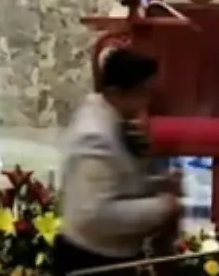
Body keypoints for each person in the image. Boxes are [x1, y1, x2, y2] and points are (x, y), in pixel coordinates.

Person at [55, 47, 181, 274]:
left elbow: (119, 180)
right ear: (116, 92)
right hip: (91, 260)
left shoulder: (112, 119)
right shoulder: (94, 137)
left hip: (110, 257)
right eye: (142, 92)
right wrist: (162, 207)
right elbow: (94, 215)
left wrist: (157, 183)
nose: (147, 101)